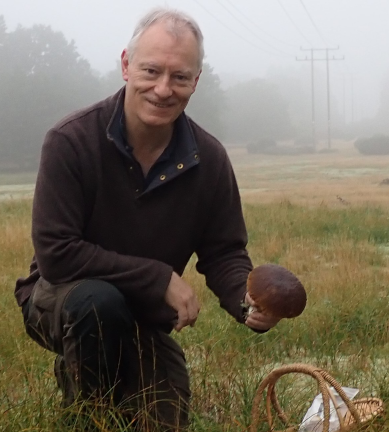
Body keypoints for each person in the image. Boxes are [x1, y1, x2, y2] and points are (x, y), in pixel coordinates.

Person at [15, 7, 282, 431]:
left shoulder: (208, 159)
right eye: (151, 70)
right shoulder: (71, 140)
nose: (163, 89)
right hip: (60, 298)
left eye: (179, 77)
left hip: (141, 315)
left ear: (196, 80)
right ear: (126, 65)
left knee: (164, 420)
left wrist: (247, 303)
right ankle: (86, 417)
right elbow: (57, 254)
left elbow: (224, 251)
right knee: (96, 304)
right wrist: (160, 279)